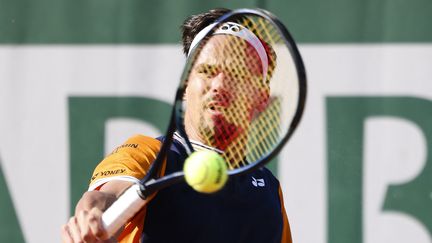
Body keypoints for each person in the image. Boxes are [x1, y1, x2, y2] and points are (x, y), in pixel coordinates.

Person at [61, 8, 292, 243]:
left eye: (236, 74)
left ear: (261, 98)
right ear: (185, 87)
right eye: (207, 71)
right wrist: (91, 217)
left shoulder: (270, 191)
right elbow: (107, 196)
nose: (219, 85)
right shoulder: (150, 154)